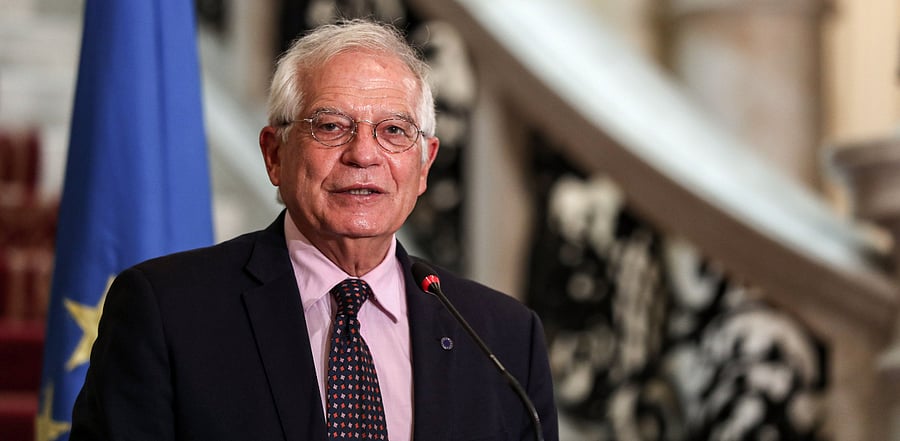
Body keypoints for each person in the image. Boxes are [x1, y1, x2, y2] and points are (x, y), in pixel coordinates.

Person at [71, 19, 558, 441]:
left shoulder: (506, 340)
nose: (364, 154)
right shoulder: (167, 311)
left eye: (393, 131)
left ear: (425, 164)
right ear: (274, 154)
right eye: (330, 126)